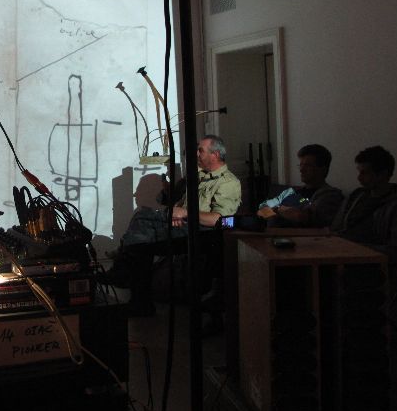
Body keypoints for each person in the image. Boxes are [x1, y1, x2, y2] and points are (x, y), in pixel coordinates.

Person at [100, 135, 241, 316]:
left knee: (141, 227)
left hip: (203, 233)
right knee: (141, 238)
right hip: (182, 225)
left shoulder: (228, 183)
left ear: (215, 155)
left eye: (201, 150)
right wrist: (172, 198)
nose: (196, 154)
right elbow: (170, 201)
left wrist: (185, 213)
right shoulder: (199, 177)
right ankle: (132, 278)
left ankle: (124, 266)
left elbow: (220, 220)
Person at [331, 146, 397, 271]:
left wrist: (351, 247)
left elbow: (395, 252)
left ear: (383, 174)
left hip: (371, 267)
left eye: (364, 173)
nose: (359, 178)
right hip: (341, 257)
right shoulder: (356, 196)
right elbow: (336, 228)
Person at [257, 144, 343, 228]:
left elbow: (302, 216)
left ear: (322, 170)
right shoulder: (294, 191)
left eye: (307, 165)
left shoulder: (330, 195)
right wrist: (281, 211)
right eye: (301, 165)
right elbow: (262, 210)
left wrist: (276, 210)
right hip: (272, 234)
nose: (301, 170)